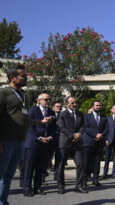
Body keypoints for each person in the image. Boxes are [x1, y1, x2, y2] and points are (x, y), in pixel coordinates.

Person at [0, 64, 53, 205]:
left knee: (8, 177)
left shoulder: (24, 95)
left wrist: (40, 121)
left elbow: (25, 119)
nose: (26, 78)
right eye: (23, 76)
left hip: (20, 141)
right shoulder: (4, 92)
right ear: (12, 78)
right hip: (6, 141)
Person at [23, 93, 56, 197]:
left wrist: (50, 137)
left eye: (49, 100)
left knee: (41, 167)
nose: (48, 102)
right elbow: (29, 127)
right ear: (39, 100)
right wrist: (39, 137)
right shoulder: (32, 110)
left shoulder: (51, 112)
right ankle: (27, 188)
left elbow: (54, 128)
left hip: (45, 144)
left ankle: (37, 187)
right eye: (46, 100)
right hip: (33, 143)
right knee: (29, 167)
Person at [57, 96, 86, 194]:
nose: (74, 104)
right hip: (65, 142)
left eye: (75, 102)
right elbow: (61, 127)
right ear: (67, 104)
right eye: (72, 103)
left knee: (80, 163)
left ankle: (78, 186)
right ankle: (61, 186)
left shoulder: (80, 114)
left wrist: (79, 134)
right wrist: (72, 135)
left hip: (77, 143)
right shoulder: (62, 114)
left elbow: (83, 125)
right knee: (61, 165)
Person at [82, 100, 108, 186]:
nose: (98, 107)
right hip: (89, 141)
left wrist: (101, 135)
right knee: (86, 161)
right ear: (93, 107)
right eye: (96, 105)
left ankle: (95, 179)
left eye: (100, 105)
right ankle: (84, 179)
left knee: (97, 161)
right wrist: (95, 135)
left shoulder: (104, 117)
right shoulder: (87, 117)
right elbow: (85, 128)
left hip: (99, 142)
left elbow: (106, 129)